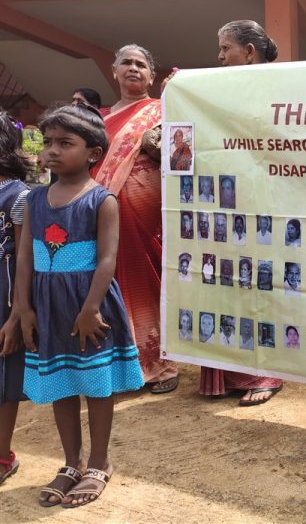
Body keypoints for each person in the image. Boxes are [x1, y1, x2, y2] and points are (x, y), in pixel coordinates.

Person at [18, 105, 144, 507]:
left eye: (65, 143)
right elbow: (25, 256)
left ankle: (99, 462)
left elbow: (107, 259)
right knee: (62, 382)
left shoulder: (102, 201)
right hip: (48, 305)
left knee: (96, 383)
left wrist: (90, 309)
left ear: (93, 153)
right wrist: (22, 307)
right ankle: (71, 463)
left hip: (89, 305)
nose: (52, 150)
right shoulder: (34, 199)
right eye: (48, 142)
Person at [197, 21, 283, 407]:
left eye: (225, 48)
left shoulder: (279, 89)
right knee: (223, 284)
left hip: (263, 203)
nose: (219, 56)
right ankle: (228, 374)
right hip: (225, 201)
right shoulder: (219, 92)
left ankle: (264, 373)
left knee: (257, 283)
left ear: (249, 52)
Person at [92, 44, 178, 395]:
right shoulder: (97, 119)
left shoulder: (162, 110)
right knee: (107, 283)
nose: (133, 68)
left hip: (147, 210)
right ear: (114, 72)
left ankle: (161, 365)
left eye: (141, 64)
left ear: (151, 76)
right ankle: (121, 368)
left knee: (148, 279)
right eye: (126, 63)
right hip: (100, 210)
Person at [0, 111, 33, 487]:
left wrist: (17, 314)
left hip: (5, 297)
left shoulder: (19, 196)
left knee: (4, 376)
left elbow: (25, 257)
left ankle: (2, 453)